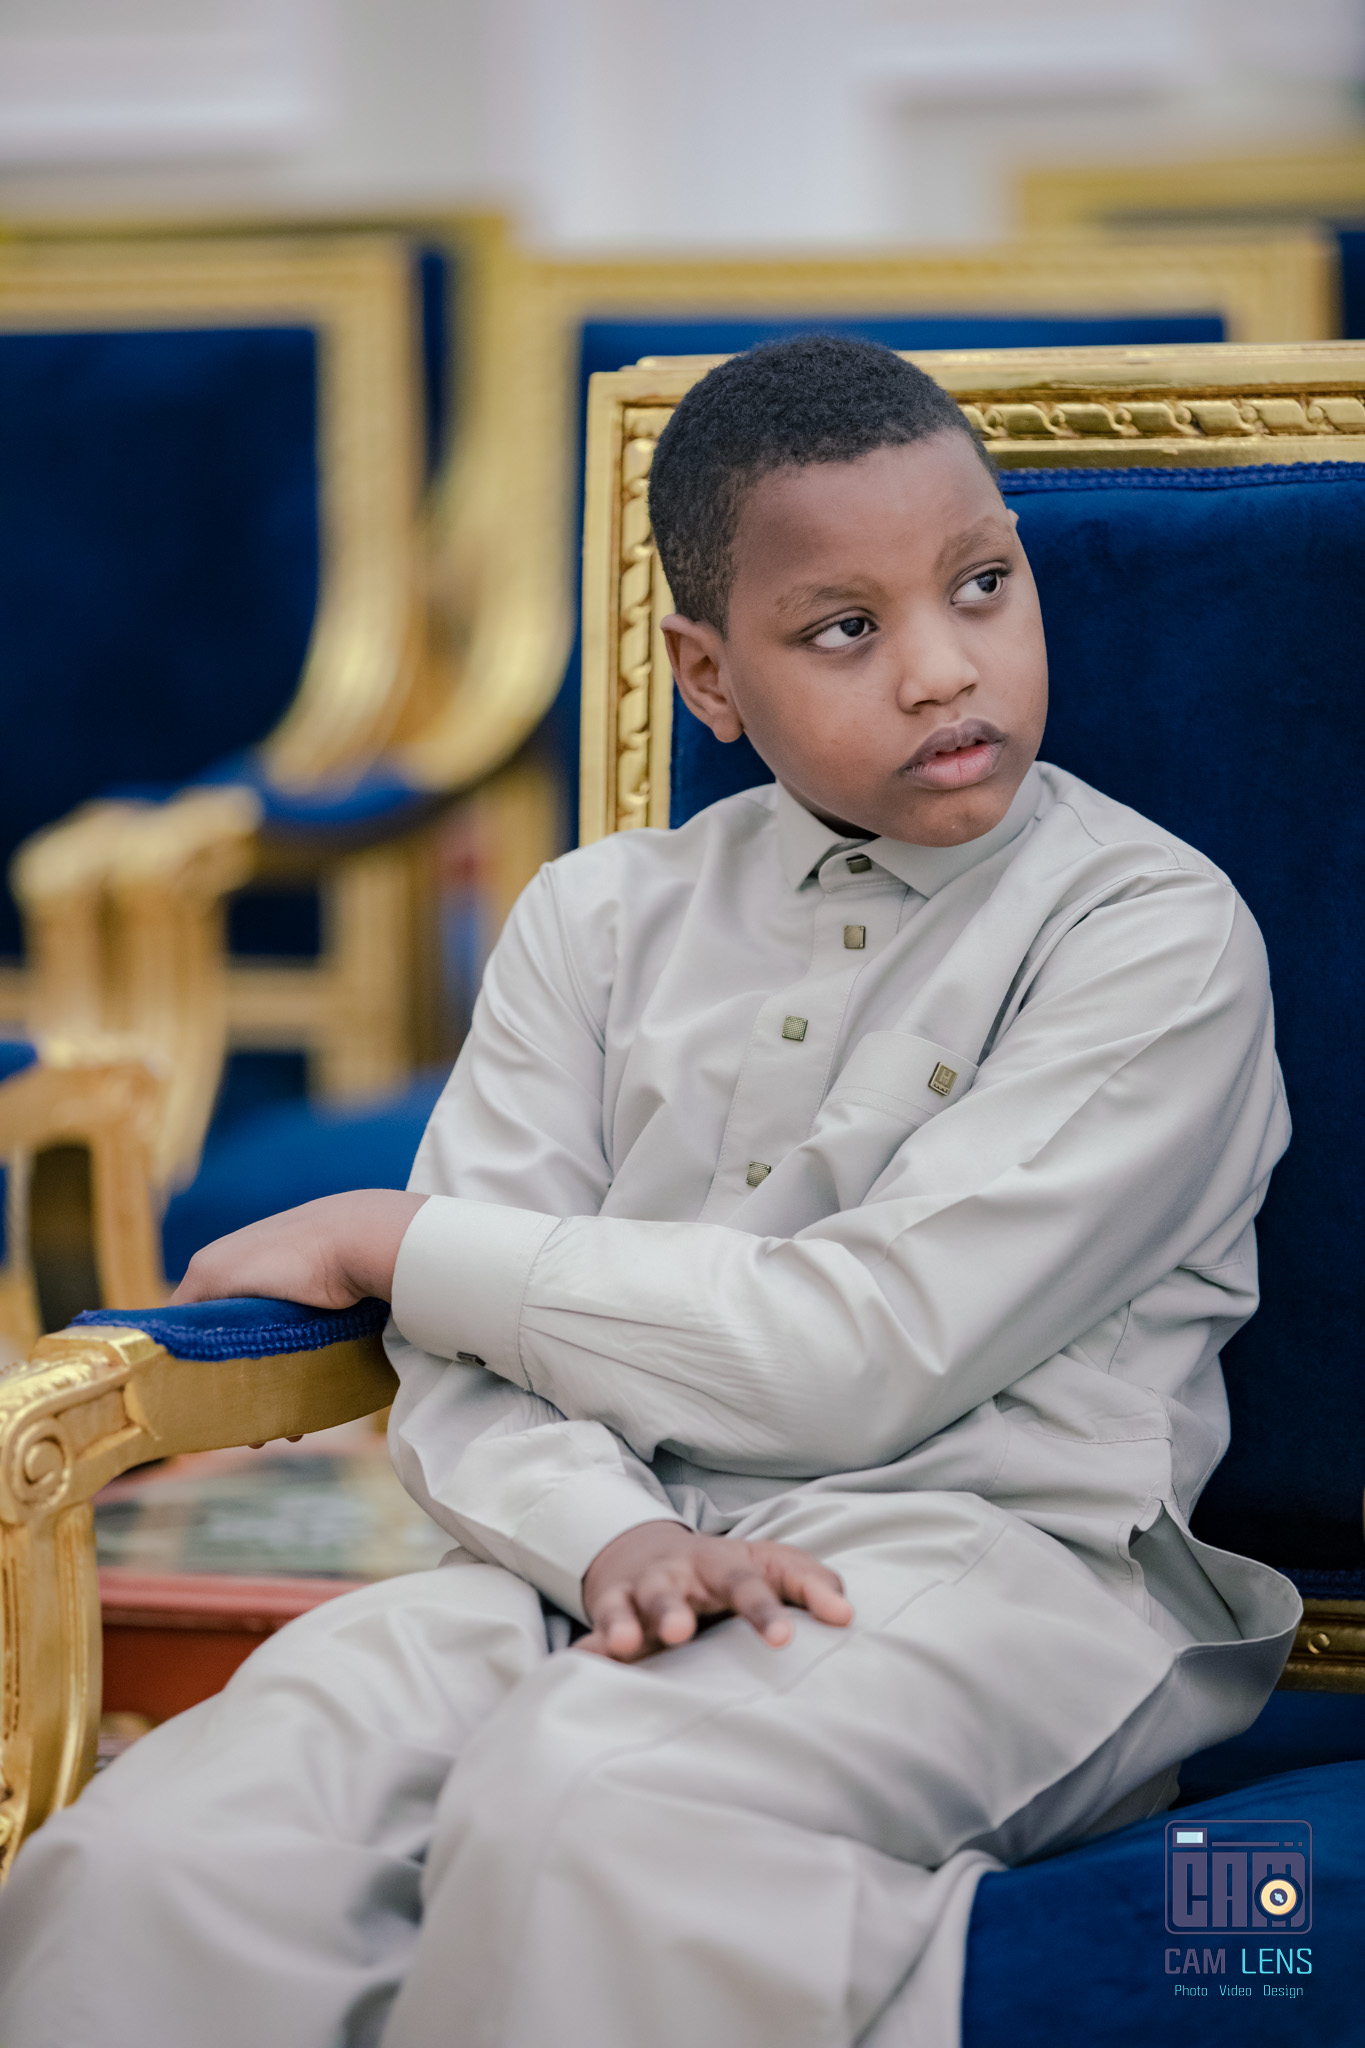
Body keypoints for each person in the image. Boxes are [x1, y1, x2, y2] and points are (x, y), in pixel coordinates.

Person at [0, 336, 1300, 2048]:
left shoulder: (1145, 934)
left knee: (588, 1813)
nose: (940, 668)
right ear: (706, 675)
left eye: (982, 585)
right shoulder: (595, 919)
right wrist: (605, 1534)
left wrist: (400, 1240)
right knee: (168, 1859)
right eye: (843, 627)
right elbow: (466, 1365)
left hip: (989, 1571)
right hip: (570, 1550)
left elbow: (864, 1350)